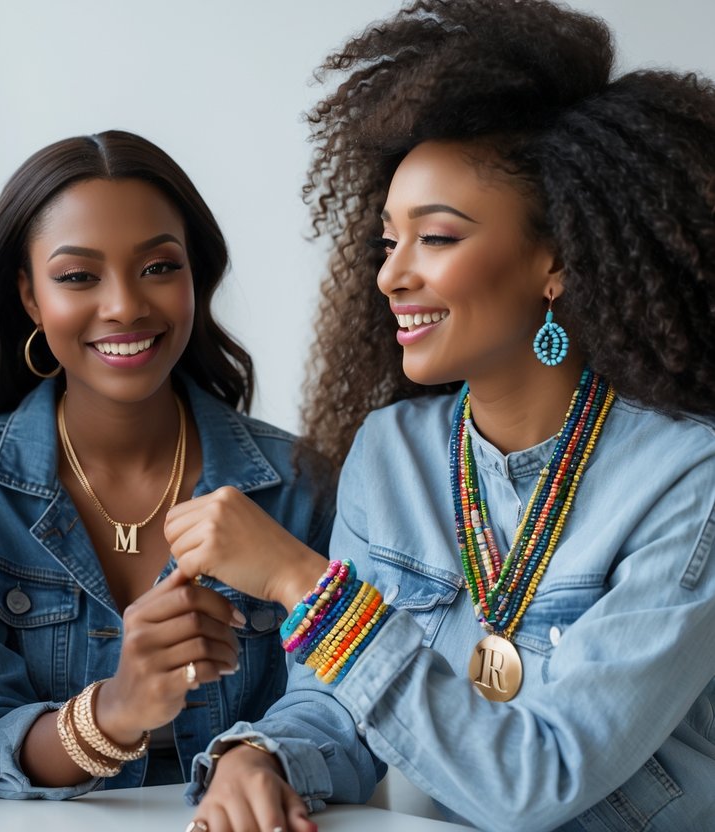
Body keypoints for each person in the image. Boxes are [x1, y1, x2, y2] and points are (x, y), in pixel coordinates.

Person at [164, 1, 715, 830]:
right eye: (387, 241)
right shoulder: (393, 452)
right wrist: (261, 756)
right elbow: (336, 711)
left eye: (437, 238)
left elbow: (539, 780)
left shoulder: (686, 478)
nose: (390, 276)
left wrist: (295, 578)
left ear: (556, 258)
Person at [0, 130, 334, 799]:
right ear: (28, 297)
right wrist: (115, 711)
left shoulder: (302, 485)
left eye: (159, 268)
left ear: (195, 273)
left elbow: (337, 704)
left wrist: (257, 756)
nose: (125, 306)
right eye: (77, 276)